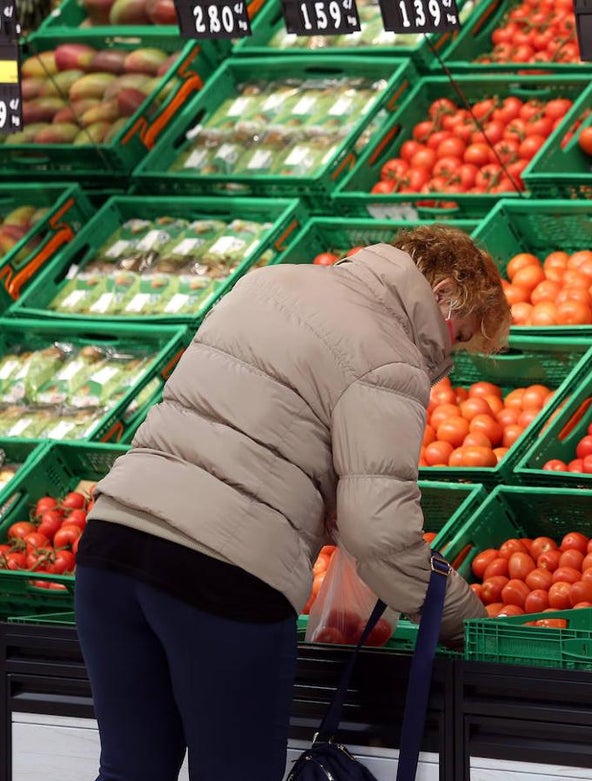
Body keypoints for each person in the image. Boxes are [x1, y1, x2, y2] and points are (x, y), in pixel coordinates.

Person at [73, 224, 511, 781]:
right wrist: (460, 619)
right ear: (444, 295)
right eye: (461, 337)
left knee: (129, 772)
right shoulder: (391, 355)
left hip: (112, 546)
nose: (450, 356)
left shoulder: (268, 283)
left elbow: (242, 425)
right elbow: (378, 531)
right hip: (222, 577)